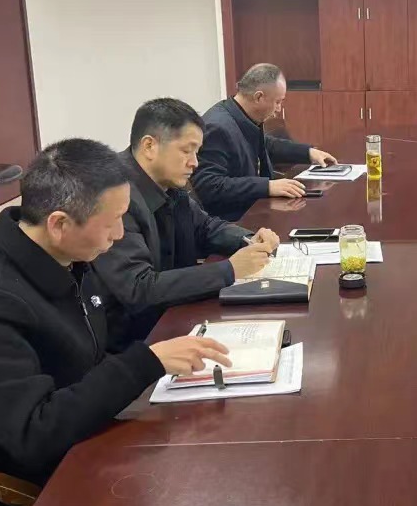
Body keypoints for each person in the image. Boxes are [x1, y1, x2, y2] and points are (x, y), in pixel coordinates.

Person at [0, 139, 233, 506]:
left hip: (74, 451)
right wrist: (145, 363)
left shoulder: (63, 257)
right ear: (59, 224)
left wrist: (154, 366)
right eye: (113, 222)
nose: (119, 235)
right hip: (6, 499)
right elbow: (35, 432)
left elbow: (88, 358)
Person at [91, 98, 280, 347]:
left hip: (174, 315)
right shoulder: (116, 195)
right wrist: (230, 270)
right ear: (149, 146)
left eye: (196, 152)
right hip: (134, 340)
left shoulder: (167, 182)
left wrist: (248, 238)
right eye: (186, 151)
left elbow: (204, 227)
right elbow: (138, 288)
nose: (195, 162)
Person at [193, 63, 338, 221]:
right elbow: (209, 186)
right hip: (235, 222)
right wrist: (267, 186)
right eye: (277, 102)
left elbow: (266, 145)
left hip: (257, 210)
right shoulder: (217, 127)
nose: (279, 109)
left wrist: (309, 153)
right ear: (258, 97)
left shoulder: (242, 115)